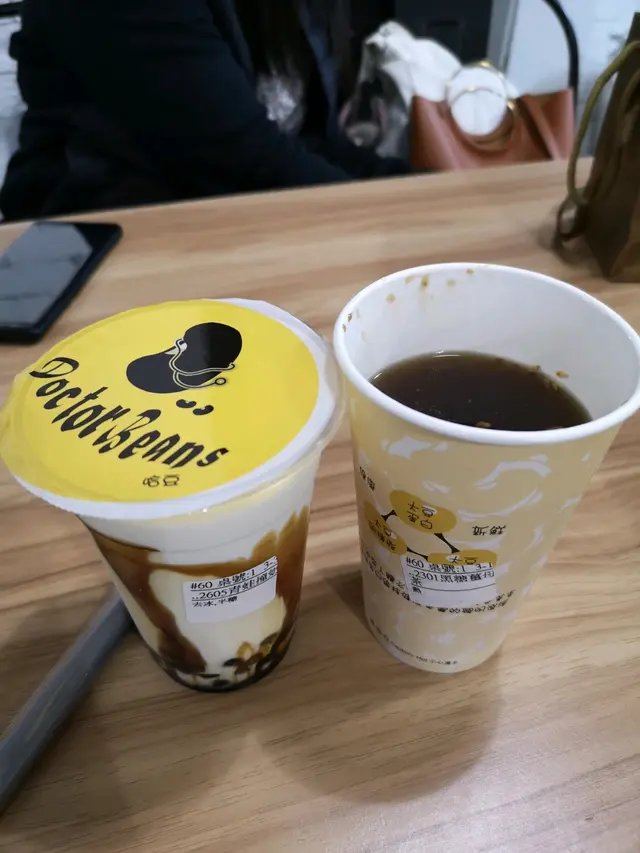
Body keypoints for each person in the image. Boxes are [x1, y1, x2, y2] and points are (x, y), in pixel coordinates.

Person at [0, 0, 410, 221]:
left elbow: (309, 139)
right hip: (112, 234)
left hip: (237, 211)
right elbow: (243, 161)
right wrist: (395, 217)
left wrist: (418, 191)